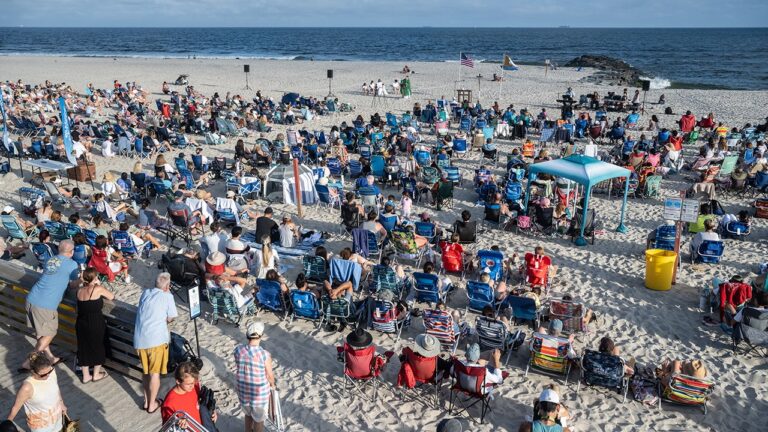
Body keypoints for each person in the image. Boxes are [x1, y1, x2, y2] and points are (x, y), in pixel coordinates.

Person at [21, 240, 80, 371]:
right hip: (45, 304)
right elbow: (73, 284)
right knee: (50, 333)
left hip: (32, 298)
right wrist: (81, 279)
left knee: (41, 333)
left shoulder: (51, 259)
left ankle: (51, 358)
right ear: (72, 252)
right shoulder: (72, 264)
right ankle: (29, 361)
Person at [133, 272, 178, 414]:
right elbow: (171, 317)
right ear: (167, 286)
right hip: (155, 341)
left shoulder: (145, 293)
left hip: (140, 340)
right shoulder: (167, 296)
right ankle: (152, 404)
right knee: (154, 374)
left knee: (146, 372)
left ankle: (147, 401)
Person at [7, 352, 66, 432]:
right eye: (43, 375)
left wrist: (62, 404)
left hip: (58, 419)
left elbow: (56, 388)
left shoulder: (52, 372)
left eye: (49, 372)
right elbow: (16, 407)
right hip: (41, 427)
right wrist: (7, 424)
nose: (47, 376)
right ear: (33, 371)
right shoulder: (27, 387)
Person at [234, 321, 275, 432]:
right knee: (259, 419)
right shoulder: (264, 354)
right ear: (260, 336)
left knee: (248, 414)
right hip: (258, 394)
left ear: (247, 336)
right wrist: (273, 384)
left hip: (243, 390)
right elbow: (270, 376)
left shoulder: (238, 350)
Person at [75, 267, 115, 383]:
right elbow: (111, 296)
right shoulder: (97, 289)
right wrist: (100, 284)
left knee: (83, 348)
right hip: (95, 322)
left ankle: (85, 376)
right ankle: (96, 374)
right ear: (95, 277)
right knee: (98, 346)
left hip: (81, 322)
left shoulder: (79, 291)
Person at [161, 361, 218, 431]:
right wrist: (178, 422)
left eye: (194, 382)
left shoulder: (195, 385)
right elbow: (167, 427)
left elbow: (201, 402)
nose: (192, 386)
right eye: (189, 384)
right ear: (178, 381)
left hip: (205, 427)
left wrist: (212, 412)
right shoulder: (169, 403)